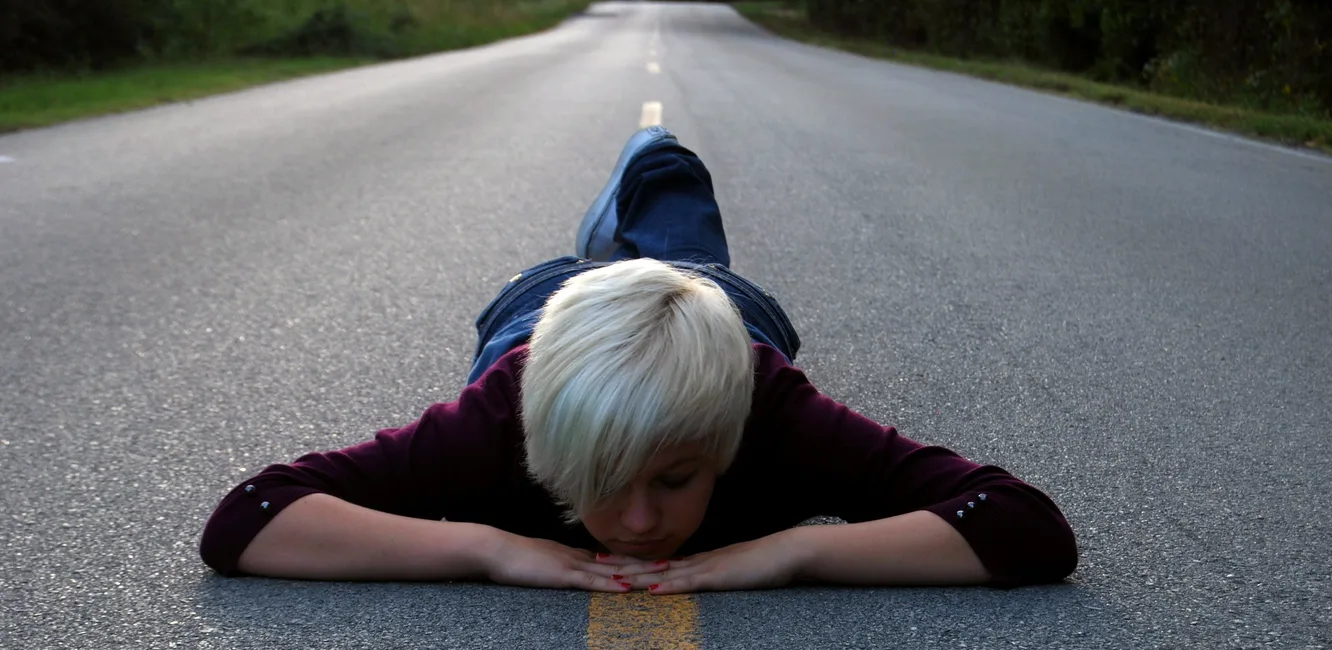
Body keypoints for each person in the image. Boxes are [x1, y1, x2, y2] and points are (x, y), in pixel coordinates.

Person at [200, 127, 1077, 594]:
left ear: (723, 443)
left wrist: (790, 554)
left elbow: (1025, 525)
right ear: (546, 448)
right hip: (538, 312)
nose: (641, 522)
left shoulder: (770, 411)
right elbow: (249, 517)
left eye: (676, 477)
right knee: (652, 257)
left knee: (688, 243)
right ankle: (621, 216)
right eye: (602, 478)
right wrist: (488, 550)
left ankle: (656, 159)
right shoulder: (500, 418)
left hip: (727, 320)